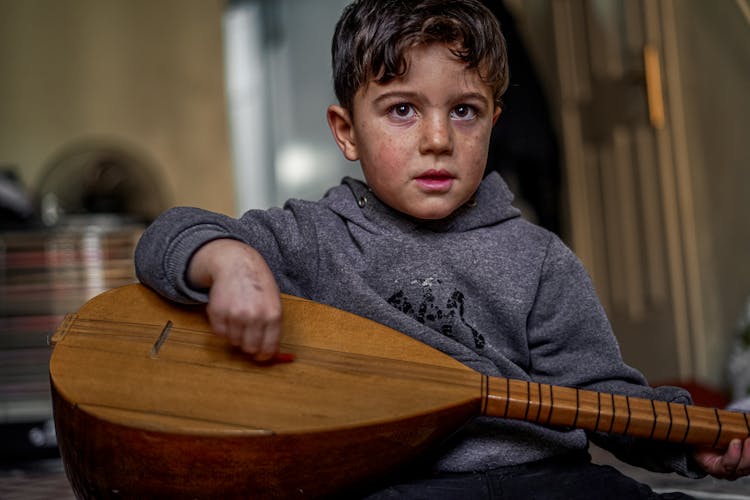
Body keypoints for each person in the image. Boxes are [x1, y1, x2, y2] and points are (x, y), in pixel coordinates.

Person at [134, 0, 750, 497]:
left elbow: (601, 395)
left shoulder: (538, 258)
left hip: (545, 478)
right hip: (395, 482)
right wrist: (231, 263)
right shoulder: (313, 236)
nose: (437, 140)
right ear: (346, 132)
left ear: (493, 125)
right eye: (402, 109)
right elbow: (167, 235)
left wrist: (688, 444)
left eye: (463, 111)